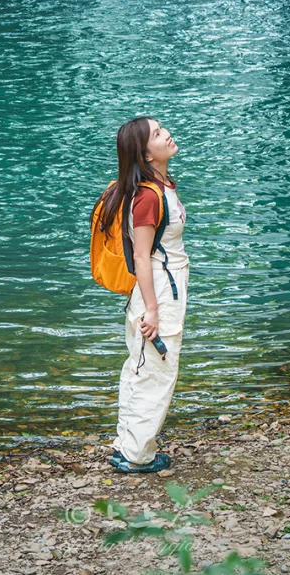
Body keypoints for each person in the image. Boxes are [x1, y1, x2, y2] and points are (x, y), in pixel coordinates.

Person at [94, 115, 188, 474]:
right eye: (158, 134)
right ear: (145, 155)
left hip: (160, 286)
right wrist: (152, 309)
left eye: (163, 128)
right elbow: (141, 256)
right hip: (159, 289)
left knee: (140, 365)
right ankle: (137, 455)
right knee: (157, 370)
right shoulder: (148, 196)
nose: (167, 134)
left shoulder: (158, 185)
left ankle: (127, 444)